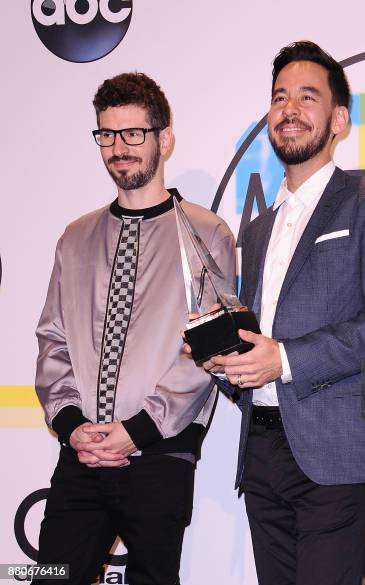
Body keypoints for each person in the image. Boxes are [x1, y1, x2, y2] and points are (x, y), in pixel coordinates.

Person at [201, 41, 365, 584]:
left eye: (307, 97)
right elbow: (263, 342)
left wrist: (287, 361)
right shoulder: (257, 227)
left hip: (335, 446)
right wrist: (226, 361)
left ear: (339, 119)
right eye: (279, 98)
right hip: (261, 448)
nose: (289, 109)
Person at [34, 72, 235, 585]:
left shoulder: (206, 234)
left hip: (159, 457)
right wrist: (74, 426)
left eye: (133, 134)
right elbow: (53, 340)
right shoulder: (75, 238)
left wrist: (135, 432)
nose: (118, 148)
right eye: (106, 134)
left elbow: (206, 351)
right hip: (80, 454)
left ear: (163, 139)